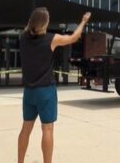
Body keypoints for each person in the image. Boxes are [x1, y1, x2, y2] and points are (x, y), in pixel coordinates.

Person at [17, 8, 91, 163]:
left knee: (26, 129)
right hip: (45, 91)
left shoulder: (22, 38)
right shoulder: (51, 39)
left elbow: (28, 29)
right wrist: (83, 21)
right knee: (47, 129)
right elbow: (73, 37)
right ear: (45, 23)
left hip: (29, 92)